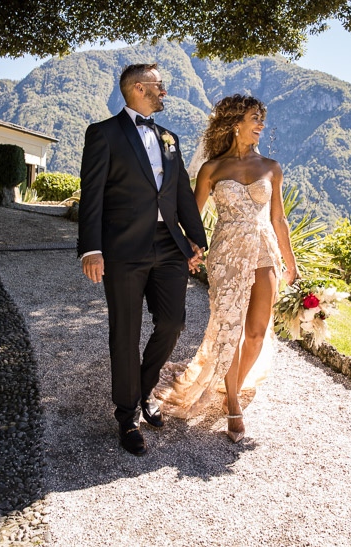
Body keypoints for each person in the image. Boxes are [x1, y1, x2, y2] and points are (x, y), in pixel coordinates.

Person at [77, 63, 207, 456]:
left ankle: (142, 390)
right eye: (159, 86)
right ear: (137, 89)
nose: (164, 92)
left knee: (173, 323)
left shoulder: (169, 137)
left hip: (168, 244)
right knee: (125, 332)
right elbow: (92, 192)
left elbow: (181, 191)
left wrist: (196, 241)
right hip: (122, 248)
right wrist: (91, 248)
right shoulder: (104, 133)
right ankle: (126, 415)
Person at [154, 94, 299, 442]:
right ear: (236, 124)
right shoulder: (212, 169)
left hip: (265, 249)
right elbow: (194, 213)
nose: (261, 125)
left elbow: (278, 218)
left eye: (261, 119)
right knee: (228, 329)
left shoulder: (271, 167)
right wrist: (190, 247)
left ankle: (228, 383)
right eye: (254, 118)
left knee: (257, 332)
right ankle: (232, 402)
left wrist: (290, 260)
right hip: (227, 252)